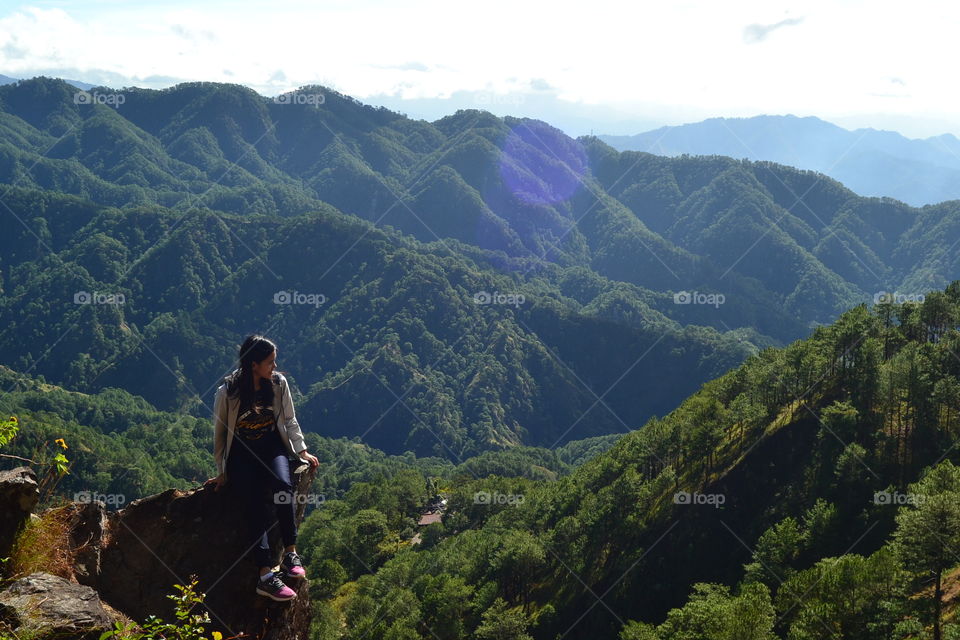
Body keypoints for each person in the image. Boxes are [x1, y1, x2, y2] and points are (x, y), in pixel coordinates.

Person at [204, 335, 320, 602]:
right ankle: (265, 575)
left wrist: (301, 450)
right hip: (242, 455)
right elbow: (220, 435)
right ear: (254, 364)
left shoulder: (278, 384)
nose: (275, 366)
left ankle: (290, 553)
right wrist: (222, 472)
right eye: (270, 361)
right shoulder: (228, 392)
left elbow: (289, 419)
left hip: (271, 447)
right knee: (253, 501)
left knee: (283, 485)